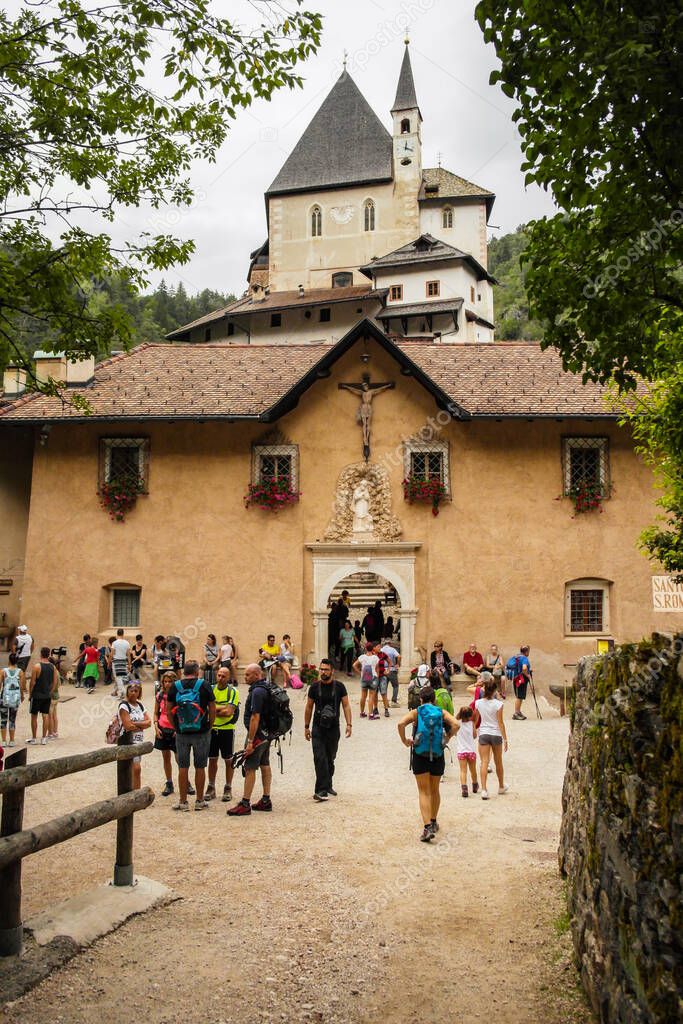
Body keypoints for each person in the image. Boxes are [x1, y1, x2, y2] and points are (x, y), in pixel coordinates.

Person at [397, 685, 459, 842]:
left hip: (420, 754)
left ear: (420, 699)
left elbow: (400, 724)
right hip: (437, 754)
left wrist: (405, 741)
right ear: (434, 699)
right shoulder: (440, 712)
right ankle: (433, 821)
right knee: (435, 789)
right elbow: (456, 724)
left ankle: (426, 828)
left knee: (423, 791)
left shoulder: (416, 712)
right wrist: (447, 738)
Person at [166, 661, 215, 811]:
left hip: (182, 732)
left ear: (184, 671)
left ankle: (183, 801)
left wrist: (176, 727)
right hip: (201, 731)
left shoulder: (175, 686)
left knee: (183, 767)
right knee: (200, 766)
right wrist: (209, 726)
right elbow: (212, 708)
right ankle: (199, 801)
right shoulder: (204, 685)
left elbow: (168, 711)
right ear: (197, 671)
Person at [227, 663, 274, 817]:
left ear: (256, 675)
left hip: (257, 735)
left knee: (250, 766)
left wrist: (249, 742)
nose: (245, 677)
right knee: (265, 764)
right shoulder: (266, 687)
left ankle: (245, 804)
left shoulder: (258, 692)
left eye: (247, 674)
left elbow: (255, 717)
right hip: (267, 733)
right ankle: (266, 800)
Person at [304, 658, 352, 801]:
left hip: (333, 728)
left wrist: (349, 724)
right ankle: (321, 791)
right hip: (318, 727)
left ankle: (328, 784)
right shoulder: (313, 687)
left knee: (330, 758)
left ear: (332, 671)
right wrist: (306, 727)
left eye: (326, 669)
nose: (323, 672)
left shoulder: (340, 687)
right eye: (321, 669)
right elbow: (308, 707)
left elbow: (346, 706)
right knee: (320, 758)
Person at [206, 666, 239, 803]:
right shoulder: (211, 689)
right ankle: (211, 786)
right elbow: (205, 708)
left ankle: (228, 787)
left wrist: (213, 709)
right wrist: (220, 708)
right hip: (212, 729)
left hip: (227, 729)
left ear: (228, 677)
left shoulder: (232, 691)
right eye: (219, 675)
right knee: (212, 759)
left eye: (223, 676)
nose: (220, 678)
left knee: (228, 759)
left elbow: (229, 712)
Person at [475, 674, 509, 799]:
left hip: (484, 733)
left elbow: (476, 719)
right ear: (494, 691)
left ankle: (484, 789)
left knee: (484, 761)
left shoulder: (478, 703)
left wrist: (474, 730)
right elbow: (500, 722)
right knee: (498, 761)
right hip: (495, 734)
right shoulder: (498, 704)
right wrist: (505, 739)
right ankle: (501, 786)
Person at [118, 681, 151, 789]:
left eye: (136, 691)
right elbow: (128, 726)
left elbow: (149, 722)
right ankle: (134, 791)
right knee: (135, 768)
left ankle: (136, 792)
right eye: (131, 690)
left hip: (138, 741)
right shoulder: (124, 706)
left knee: (136, 769)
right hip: (127, 741)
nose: (133, 693)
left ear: (139, 693)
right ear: (127, 692)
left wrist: (135, 724)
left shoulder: (140, 705)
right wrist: (142, 725)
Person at [154, 671, 179, 797]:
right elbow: (155, 713)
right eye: (165, 681)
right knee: (166, 757)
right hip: (162, 728)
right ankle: (169, 783)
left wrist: (177, 729)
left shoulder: (178, 695)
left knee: (179, 758)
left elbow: (181, 713)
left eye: (170, 681)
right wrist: (155, 727)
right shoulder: (160, 695)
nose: (167, 684)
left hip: (174, 729)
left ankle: (185, 781)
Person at [27, 647, 58, 745]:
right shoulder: (53, 667)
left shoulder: (37, 666)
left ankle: (34, 738)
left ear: (41, 654)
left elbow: (32, 682)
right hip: (46, 695)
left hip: (37, 695)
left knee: (34, 717)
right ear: (49, 654)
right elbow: (54, 682)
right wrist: (50, 692)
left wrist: (30, 694)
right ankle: (44, 738)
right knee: (45, 716)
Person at [0, 653, 25, 747]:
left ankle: (3, 741)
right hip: (15, 698)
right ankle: (12, 740)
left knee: (3, 719)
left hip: (4, 698)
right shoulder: (20, 672)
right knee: (12, 719)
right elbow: (22, 687)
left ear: (9, 660)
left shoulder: (3, 671)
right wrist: (21, 696)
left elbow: (0, 685)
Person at [455, 706, 479, 797]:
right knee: (473, 771)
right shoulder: (472, 724)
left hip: (461, 751)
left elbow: (454, 734)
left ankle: (464, 788)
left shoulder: (457, 724)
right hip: (471, 751)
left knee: (463, 771)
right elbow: (474, 736)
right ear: (470, 715)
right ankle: (475, 785)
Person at [353, 643, 379, 719]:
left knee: (363, 696)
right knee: (371, 696)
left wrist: (360, 672)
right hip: (373, 677)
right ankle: (370, 714)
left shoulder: (362, 657)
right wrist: (377, 676)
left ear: (365, 648)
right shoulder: (375, 657)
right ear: (373, 649)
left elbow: (354, 665)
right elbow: (377, 669)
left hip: (364, 677)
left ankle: (362, 713)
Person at [511, 645, 533, 720]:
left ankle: (518, 712)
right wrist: (527, 675)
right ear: (526, 652)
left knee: (519, 696)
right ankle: (516, 713)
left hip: (516, 678)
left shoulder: (517, 657)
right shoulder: (524, 658)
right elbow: (524, 668)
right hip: (521, 679)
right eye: (528, 651)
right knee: (519, 696)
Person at [109, 628, 131, 697]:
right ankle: (115, 692)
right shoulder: (127, 643)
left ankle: (124, 693)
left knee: (118, 678)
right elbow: (128, 655)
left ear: (117, 633)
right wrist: (129, 664)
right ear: (123, 634)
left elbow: (111, 654)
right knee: (119, 678)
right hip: (124, 662)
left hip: (116, 662)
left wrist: (109, 662)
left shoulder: (114, 643)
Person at [372, 642, 391, 718]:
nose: (380, 648)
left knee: (384, 693)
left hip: (382, 676)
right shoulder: (371, 655)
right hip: (374, 677)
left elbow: (389, 662)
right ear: (374, 648)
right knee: (375, 694)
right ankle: (375, 708)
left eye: (380, 646)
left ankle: (386, 709)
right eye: (378, 647)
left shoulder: (383, 654)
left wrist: (388, 670)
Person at [381, 638, 401, 705]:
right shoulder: (392, 649)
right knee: (395, 686)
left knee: (385, 686)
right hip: (392, 669)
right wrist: (397, 664)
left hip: (384, 670)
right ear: (390, 643)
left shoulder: (381, 650)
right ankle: (393, 701)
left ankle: (385, 701)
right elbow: (399, 656)